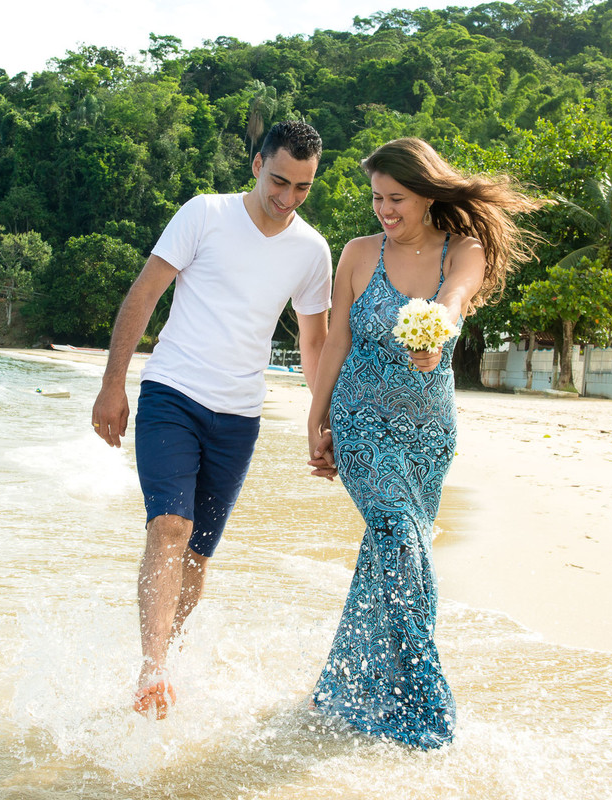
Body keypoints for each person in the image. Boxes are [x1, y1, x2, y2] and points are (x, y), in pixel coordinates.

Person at [305, 137, 543, 749]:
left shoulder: (464, 251)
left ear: (428, 193)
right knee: (400, 541)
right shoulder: (358, 254)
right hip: (360, 421)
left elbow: (453, 301)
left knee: (386, 556)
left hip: (428, 434)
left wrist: (435, 337)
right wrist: (318, 415)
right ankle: (423, 700)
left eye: (397, 198)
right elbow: (335, 341)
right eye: (378, 198)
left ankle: (349, 692)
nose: (385, 209)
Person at [91, 121, 333, 720]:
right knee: (169, 527)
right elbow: (143, 295)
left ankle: (165, 669)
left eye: (303, 187)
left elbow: (314, 343)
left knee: (197, 554)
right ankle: (151, 670)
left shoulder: (312, 251)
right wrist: (112, 384)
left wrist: (319, 420)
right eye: (280, 180)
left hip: (239, 417)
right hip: (173, 394)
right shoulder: (204, 214)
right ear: (256, 165)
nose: (288, 197)